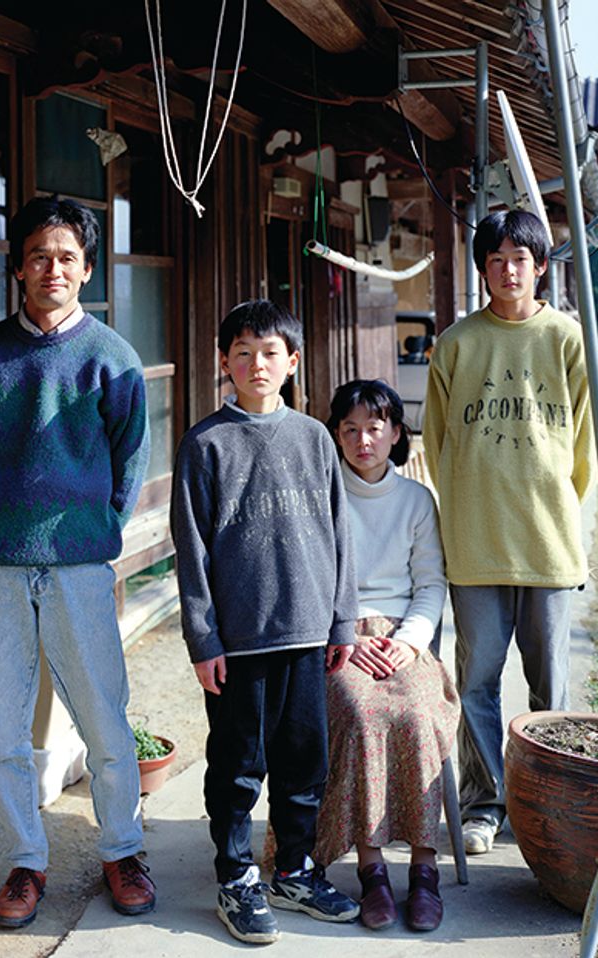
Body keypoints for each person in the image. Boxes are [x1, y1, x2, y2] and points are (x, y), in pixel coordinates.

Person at [0, 196, 156, 928]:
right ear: (17, 268)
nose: (52, 268)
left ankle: (122, 849)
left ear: (87, 269)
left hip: (78, 563)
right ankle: (27, 860)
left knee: (104, 713)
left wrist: (97, 534)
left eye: (66, 257)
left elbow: (130, 463)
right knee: (1, 723)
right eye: (39, 255)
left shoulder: (112, 359)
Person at [169, 299, 360, 945]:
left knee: (305, 760)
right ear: (224, 362)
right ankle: (235, 876)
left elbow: (340, 533)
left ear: (292, 362)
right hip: (240, 639)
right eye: (243, 352)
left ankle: (296, 870)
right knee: (237, 764)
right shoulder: (205, 445)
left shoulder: (313, 438)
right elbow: (191, 552)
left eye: (270, 352)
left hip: (308, 633)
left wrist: (343, 623)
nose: (257, 364)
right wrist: (203, 637)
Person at [421, 209, 595, 857]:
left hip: (549, 543)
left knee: (552, 688)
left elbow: (584, 445)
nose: (508, 270)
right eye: (496, 260)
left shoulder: (566, 339)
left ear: (540, 266)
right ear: (483, 269)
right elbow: (437, 446)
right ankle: (485, 802)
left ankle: (549, 799)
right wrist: (468, 502)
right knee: (477, 683)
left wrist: (557, 508)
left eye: (520, 258)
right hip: (474, 543)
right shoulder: (457, 343)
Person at [314, 380, 459, 933]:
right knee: (359, 713)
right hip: (342, 637)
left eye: (374, 427)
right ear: (336, 436)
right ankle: (371, 869)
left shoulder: (417, 500)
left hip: (405, 637)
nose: (362, 440)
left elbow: (430, 584)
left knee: (420, 715)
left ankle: (424, 870)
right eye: (349, 429)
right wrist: (347, 632)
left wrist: (407, 641)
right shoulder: (325, 495)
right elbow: (319, 580)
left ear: (396, 433)